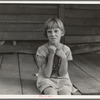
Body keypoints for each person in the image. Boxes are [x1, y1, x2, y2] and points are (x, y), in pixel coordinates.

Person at [35, 17, 77, 95]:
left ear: (62, 33)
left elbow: (62, 74)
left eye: (56, 31)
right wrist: (51, 54)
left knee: (66, 94)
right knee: (52, 94)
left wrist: (64, 58)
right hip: (46, 80)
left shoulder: (66, 49)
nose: (53, 34)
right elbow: (46, 75)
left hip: (63, 80)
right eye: (49, 32)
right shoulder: (41, 50)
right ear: (46, 34)